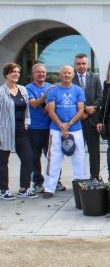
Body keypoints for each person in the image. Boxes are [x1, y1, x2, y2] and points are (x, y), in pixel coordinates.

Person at [43, 65, 86, 199]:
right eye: (64, 73)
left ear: (73, 75)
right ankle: (49, 188)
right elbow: (50, 110)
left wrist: (69, 124)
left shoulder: (78, 90)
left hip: (75, 129)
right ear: (60, 75)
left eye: (69, 73)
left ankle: (80, 184)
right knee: (54, 158)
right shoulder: (53, 90)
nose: (67, 75)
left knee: (79, 157)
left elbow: (81, 110)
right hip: (56, 130)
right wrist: (61, 125)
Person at [0, 62, 36, 200]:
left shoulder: (22, 89)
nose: (16, 74)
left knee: (28, 157)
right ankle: (4, 189)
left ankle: (24, 188)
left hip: (21, 129)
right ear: (6, 75)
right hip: (5, 130)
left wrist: (27, 122)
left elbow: (27, 109)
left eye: (18, 72)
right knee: (3, 161)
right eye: (13, 71)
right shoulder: (1, 92)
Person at [26, 63, 60, 193]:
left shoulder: (50, 87)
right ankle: (38, 182)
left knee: (52, 156)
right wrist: (46, 95)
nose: (41, 74)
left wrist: (49, 107)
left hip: (50, 127)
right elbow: (34, 104)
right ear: (33, 74)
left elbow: (54, 105)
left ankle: (55, 180)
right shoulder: (28, 88)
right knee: (35, 157)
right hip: (34, 128)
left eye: (43, 72)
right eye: (38, 72)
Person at [72, 53, 103, 179]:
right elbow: (70, 99)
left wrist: (90, 110)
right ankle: (80, 177)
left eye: (83, 63)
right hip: (77, 121)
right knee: (78, 152)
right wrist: (84, 109)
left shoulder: (95, 77)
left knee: (94, 151)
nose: (81, 66)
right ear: (74, 65)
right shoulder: (71, 78)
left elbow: (100, 97)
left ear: (87, 64)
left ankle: (94, 176)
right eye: (78, 64)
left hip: (92, 120)